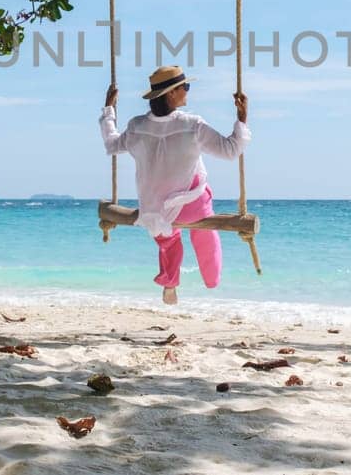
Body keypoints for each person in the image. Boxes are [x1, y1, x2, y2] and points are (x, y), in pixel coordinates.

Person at [101, 65, 250, 305]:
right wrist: (242, 120)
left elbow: (111, 144)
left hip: (156, 209)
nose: (188, 91)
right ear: (171, 93)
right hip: (191, 204)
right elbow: (230, 150)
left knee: (167, 239)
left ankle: (169, 282)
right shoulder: (193, 124)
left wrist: (109, 110)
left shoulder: (137, 126)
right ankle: (212, 279)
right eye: (185, 87)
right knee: (204, 230)